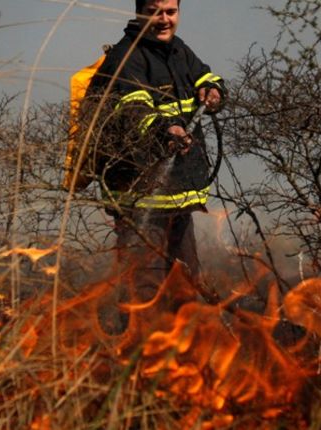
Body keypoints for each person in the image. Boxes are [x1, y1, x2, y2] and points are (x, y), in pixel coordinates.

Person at [87, 0, 225, 329]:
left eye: (170, 11)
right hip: (139, 199)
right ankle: (136, 367)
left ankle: (181, 367)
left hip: (178, 194)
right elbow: (134, 110)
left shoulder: (179, 51)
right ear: (140, 13)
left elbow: (207, 75)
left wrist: (213, 89)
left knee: (185, 285)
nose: (164, 19)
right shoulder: (126, 57)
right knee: (142, 292)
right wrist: (166, 132)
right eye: (155, 11)